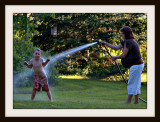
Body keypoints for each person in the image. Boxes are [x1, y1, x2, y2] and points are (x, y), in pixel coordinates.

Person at [100, 26, 144, 104]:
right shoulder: (128, 41)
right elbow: (116, 47)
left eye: (122, 33)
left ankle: (128, 101)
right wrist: (106, 44)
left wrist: (116, 57)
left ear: (126, 34)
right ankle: (136, 101)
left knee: (132, 83)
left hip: (136, 65)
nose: (121, 35)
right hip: (137, 65)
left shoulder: (128, 42)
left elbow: (123, 55)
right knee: (136, 83)